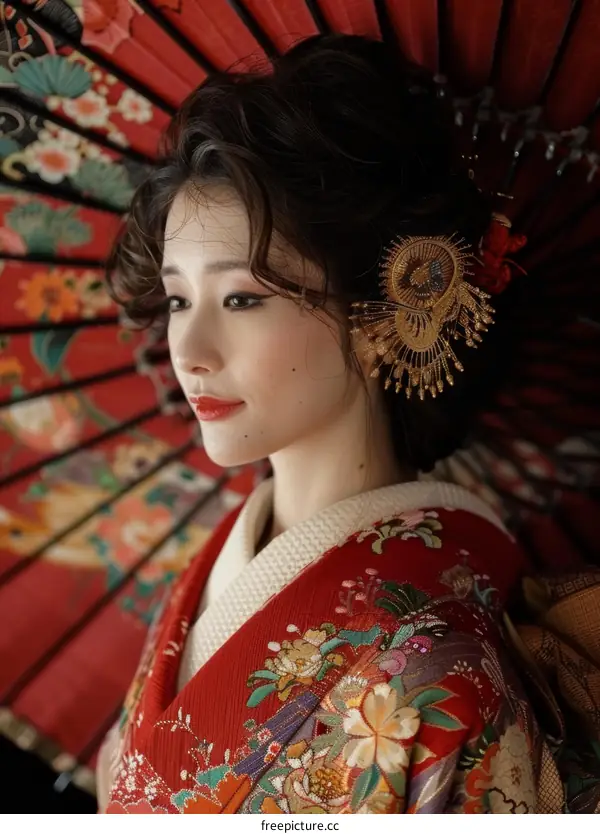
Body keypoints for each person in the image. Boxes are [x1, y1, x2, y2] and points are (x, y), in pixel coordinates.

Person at [97, 33, 554, 814]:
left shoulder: (445, 672)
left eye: (243, 298)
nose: (190, 351)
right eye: (178, 300)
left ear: (385, 316)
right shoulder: (214, 574)